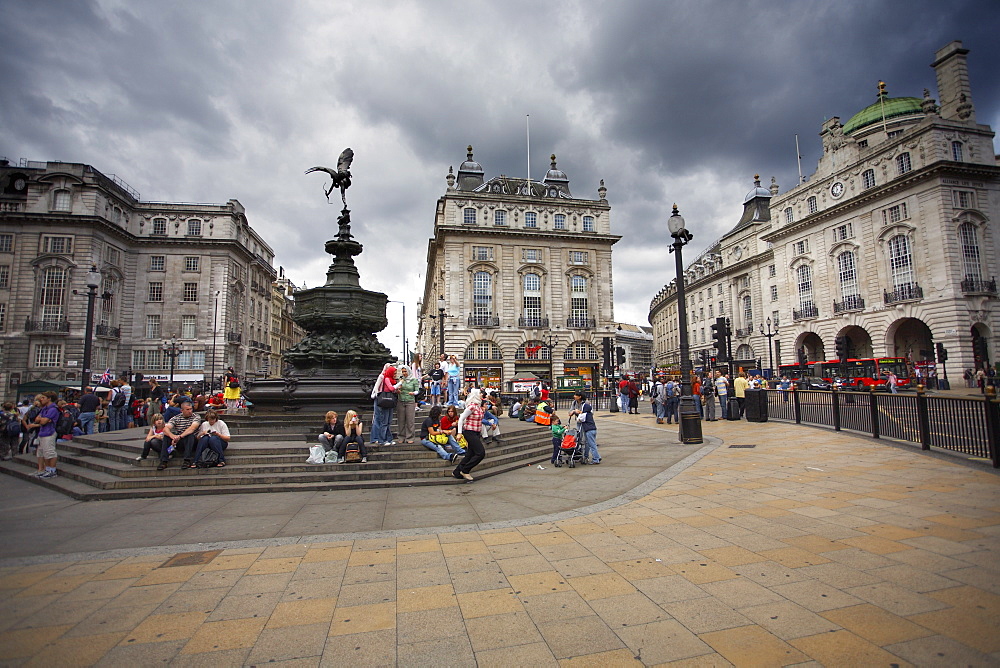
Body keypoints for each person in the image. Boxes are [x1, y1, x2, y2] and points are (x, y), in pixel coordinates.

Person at [158, 401, 201, 470]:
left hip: (192, 441)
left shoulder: (196, 417)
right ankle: (163, 461)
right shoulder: (176, 418)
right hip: (179, 441)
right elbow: (165, 429)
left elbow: (192, 428)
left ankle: (187, 460)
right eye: (187, 409)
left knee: (190, 435)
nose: (190, 411)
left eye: (191, 409)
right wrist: (173, 436)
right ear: (182, 410)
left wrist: (180, 436)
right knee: (166, 437)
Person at [454, 388, 486, 481]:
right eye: (480, 393)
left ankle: (457, 471)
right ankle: (465, 470)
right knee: (480, 453)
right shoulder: (471, 406)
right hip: (469, 431)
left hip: (476, 432)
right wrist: (459, 433)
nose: (481, 395)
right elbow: (461, 418)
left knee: (470, 454)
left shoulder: (478, 406)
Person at [31, 392, 61, 477]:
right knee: (41, 452)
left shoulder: (53, 409)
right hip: (42, 432)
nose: (41, 399)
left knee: (49, 452)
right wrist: (42, 420)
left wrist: (42, 420)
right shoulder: (44, 409)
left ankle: (51, 470)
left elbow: (42, 421)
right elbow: (37, 419)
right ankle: (44, 469)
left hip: (49, 432)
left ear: (49, 399)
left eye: (43, 397)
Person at [370, 363, 398, 447]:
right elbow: (376, 387)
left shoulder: (391, 379)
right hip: (381, 399)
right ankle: (377, 438)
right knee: (379, 419)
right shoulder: (382, 377)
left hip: (387, 399)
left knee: (385, 421)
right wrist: (375, 395)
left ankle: (386, 438)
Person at [570, 390, 600, 464]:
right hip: (588, 426)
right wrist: (573, 411)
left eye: (575, 395)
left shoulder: (586, 404)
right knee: (580, 438)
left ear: (580, 396)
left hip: (587, 427)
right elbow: (571, 412)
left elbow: (584, 416)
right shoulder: (574, 403)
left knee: (589, 442)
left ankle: (593, 457)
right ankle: (583, 454)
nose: (574, 396)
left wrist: (579, 412)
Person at [395, 365, 420, 444]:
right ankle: (401, 436)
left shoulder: (414, 380)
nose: (404, 373)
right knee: (401, 420)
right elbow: (396, 388)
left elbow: (417, 390)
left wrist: (413, 393)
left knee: (410, 420)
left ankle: (410, 437)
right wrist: (398, 390)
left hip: (410, 401)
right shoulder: (401, 380)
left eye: (405, 371)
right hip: (401, 400)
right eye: (403, 372)